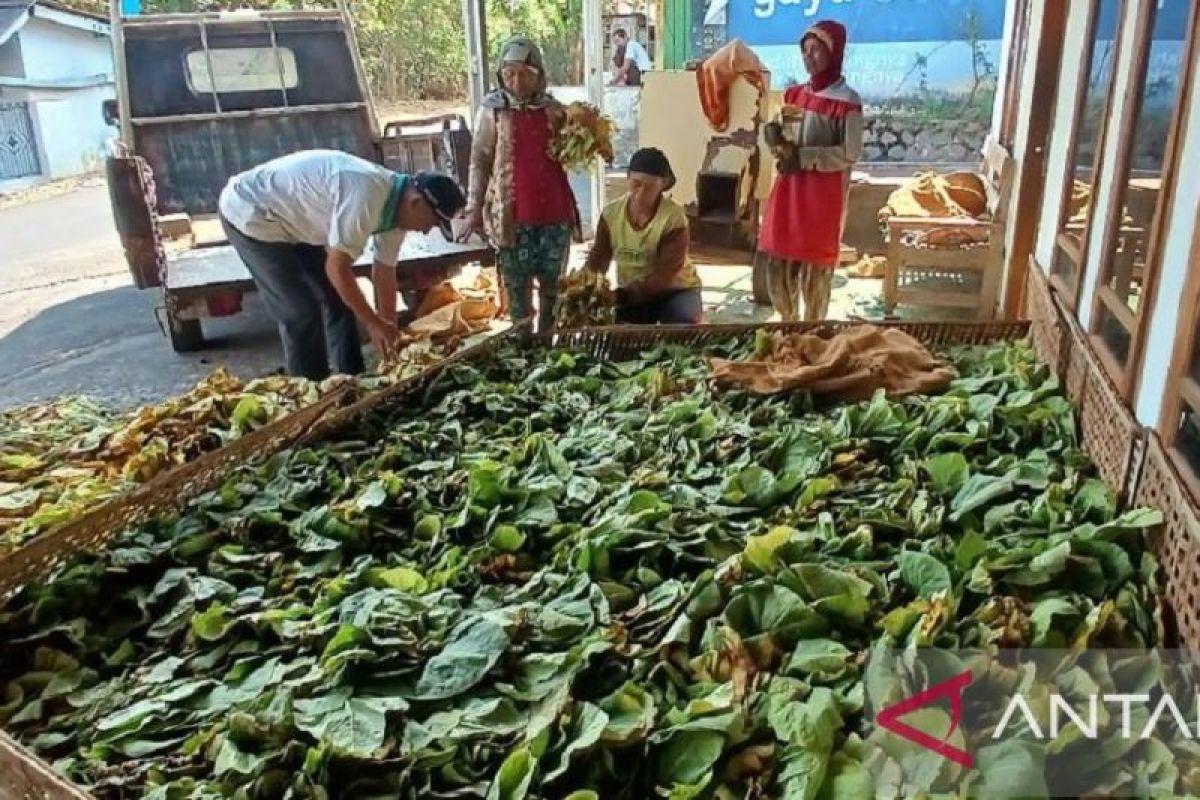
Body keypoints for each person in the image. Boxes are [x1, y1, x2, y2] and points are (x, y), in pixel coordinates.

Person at [218, 150, 465, 379]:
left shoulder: (397, 212)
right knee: (301, 311)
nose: (425, 231)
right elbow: (336, 269)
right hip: (252, 211)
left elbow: (384, 273)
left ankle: (351, 379)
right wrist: (372, 323)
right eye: (432, 223)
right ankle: (311, 394)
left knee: (339, 298)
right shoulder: (367, 192)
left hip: (297, 220)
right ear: (415, 203)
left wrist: (388, 332)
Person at [461, 36, 579, 333]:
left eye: (525, 73)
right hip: (512, 220)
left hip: (555, 216)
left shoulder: (556, 111)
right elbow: (479, 160)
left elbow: (580, 149)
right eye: (509, 73)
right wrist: (473, 207)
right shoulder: (493, 111)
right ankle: (524, 357)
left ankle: (549, 353)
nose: (517, 81)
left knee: (554, 293)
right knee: (518, 298)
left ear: (539, 75)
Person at [757, 20, 863, 322]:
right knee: (778, 267)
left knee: (814, 275)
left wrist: (804, 158)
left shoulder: (847, 102)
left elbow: (850, 152)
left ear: (835, 53)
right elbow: (784, 138)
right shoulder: (794, 95)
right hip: (789, 193)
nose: (809, 57)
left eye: (817, 50)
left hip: (821, 200)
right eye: (805, 51)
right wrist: (774, 137)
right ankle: (788, 329)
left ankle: (812, 335)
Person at [586, 148, 702, 324]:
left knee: (683, 324)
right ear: (628, 177)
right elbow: (599, 259)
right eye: (636, 184)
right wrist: (585, 285)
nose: (640, 193)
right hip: (632, 295)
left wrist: (622, 296)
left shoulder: (673, 218)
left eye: (649, 187)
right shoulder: (611, 214)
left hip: (676, 291)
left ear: (662, 185)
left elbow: (665, 275)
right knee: (617, 334)